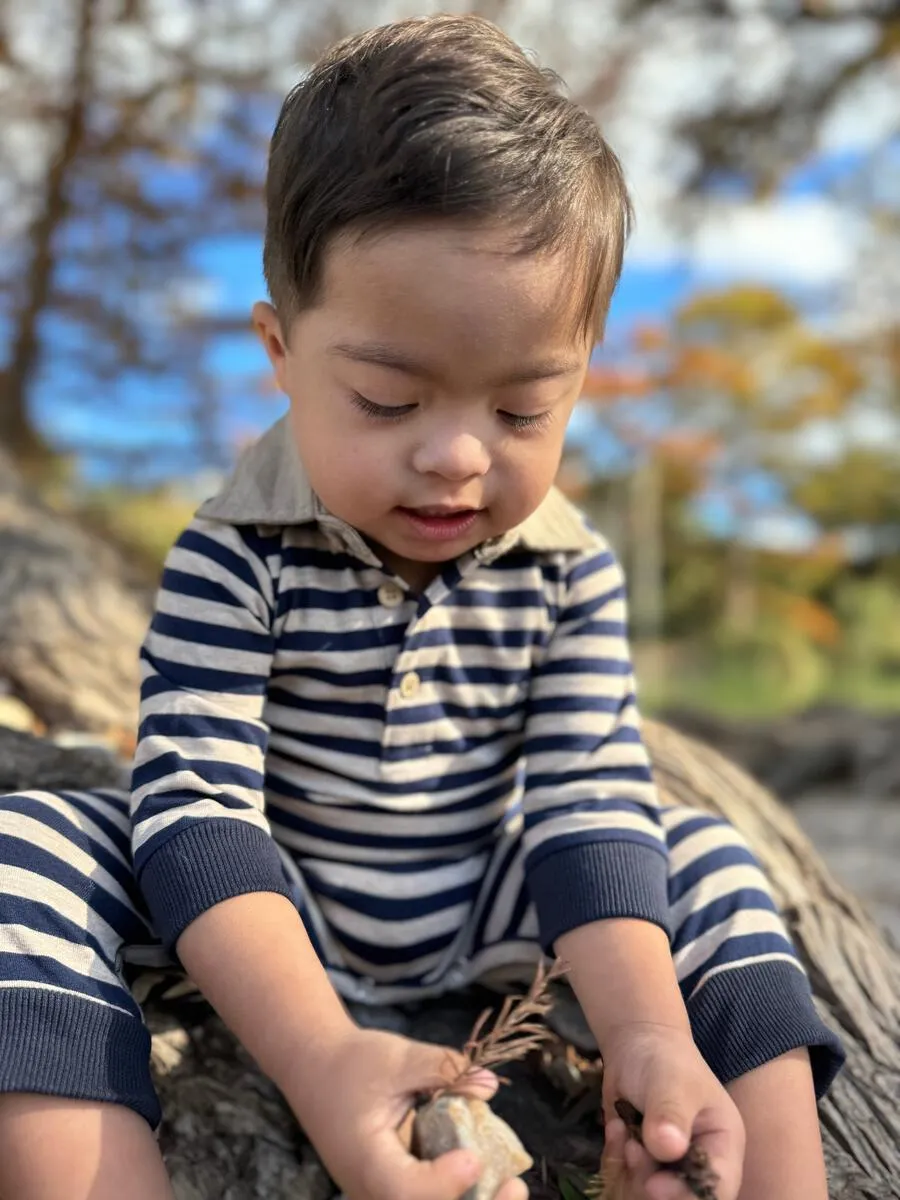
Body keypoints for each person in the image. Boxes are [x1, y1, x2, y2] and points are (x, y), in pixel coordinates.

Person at [0, 14, 843, 1200]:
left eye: (520, 412)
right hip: (261, 907)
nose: (455, 456)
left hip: (482, 910)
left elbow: (585, 807)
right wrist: (319, 1055)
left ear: (580, 378)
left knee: (699, 855)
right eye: (389, 401)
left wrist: (644, 1027)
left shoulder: (566, 573)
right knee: (28, 847)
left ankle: (744, 1162)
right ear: (284, 353)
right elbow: (196, 813)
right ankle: (93, 1173)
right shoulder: (236, 555)